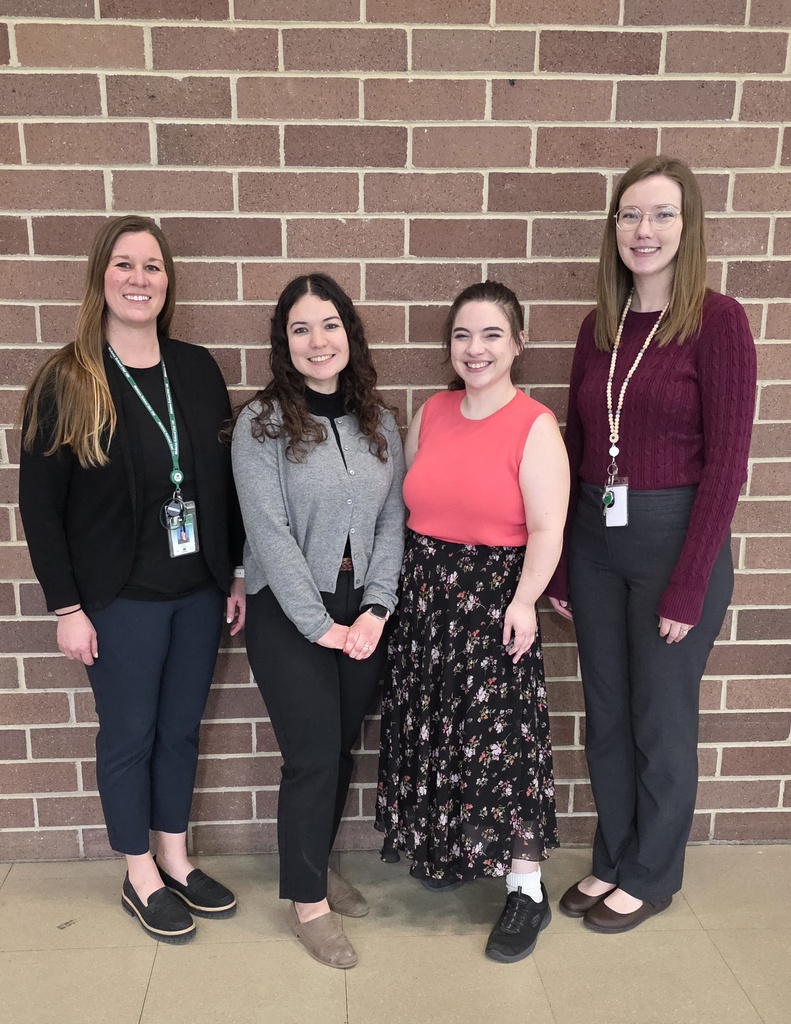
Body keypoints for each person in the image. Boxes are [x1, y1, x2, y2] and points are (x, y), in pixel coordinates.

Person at [19, 215, 245, 944]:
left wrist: (235, 572)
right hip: (118, 601)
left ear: (167, 281)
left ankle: (176, 859)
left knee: (181, 732)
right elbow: (38, 504)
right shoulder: (68, 377)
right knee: (129, 735)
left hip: (199, 591)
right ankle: (138, 871)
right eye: (124, 264)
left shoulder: (197, 367)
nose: (138, 278)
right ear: (100, 277)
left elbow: (222, 483)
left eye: (152, 266)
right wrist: (66, 607)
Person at [547, 155, 757, 933]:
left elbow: (728, 465)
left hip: (675, 542)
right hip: (597, 544)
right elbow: (574, 451)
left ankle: (652, 871)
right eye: (630, 215)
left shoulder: (718, 320)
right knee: (604, 713)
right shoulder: (597, 327)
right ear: (613, 229)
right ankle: (612, 858)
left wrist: (688, 582)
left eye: (661, 214)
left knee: (659, 718)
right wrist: (566, 561)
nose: (644, 230)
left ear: (687, 226)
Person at [377, 280, 570, 963]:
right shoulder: (429, 412)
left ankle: (526, 890)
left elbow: (547, 526)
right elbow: (406, 509)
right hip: (427, 601)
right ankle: (447, 852)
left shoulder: (534, 425)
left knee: (503, 746)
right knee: (437, 732)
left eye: (491, 334)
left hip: (493, 605)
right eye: (462, 334)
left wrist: (522, 601)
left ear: (518, 343)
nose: (475, 348)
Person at [231, 273, 405, 970]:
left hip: (361, 606)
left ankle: (317, 864)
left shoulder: (379, 420)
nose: (317, 341)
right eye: (300, 329)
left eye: (328, 325)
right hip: (288, 610)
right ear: (285, 343)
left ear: (348, 334)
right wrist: (318, 625)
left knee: (338, 751)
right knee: (309, 756)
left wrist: (376, 607)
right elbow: (267, 531)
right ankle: (308, 905)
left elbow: (394, 518)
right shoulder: (261, 424)